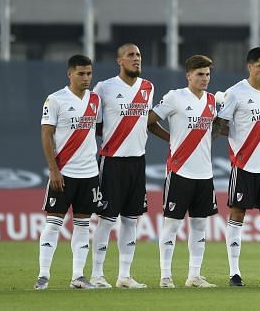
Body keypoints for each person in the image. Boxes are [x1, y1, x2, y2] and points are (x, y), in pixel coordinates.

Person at [90, 43, 169, 289]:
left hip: (137, 160)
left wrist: (173, 139)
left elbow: (146, 122)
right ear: (119, 61)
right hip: (112, 160)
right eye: (131, 55)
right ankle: (96, 274)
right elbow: (97, 125)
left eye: (139, 55)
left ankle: (124, 275)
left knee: (131, 219)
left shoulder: (148, 87)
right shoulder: (104, 88)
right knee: (106, 218)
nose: (136, 59)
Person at [214, 47, 260, 287]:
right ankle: (234, 273)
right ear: (249, 67)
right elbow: (220, 125)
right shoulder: (235, 93)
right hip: (244, 164)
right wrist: (227, 130)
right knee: (238, 215)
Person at [147, 55, 219, 289]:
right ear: (188, 75)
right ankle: (165, 276)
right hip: (180, 172)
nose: (204, 78)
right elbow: (149, 120)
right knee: (172, 226)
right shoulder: (174, 97)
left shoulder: (211, 101)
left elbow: (214, 127)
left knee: (199, 226)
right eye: (200, 74)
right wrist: (171, 138)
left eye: (207, 74)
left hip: (205, 174)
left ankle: (194, 276)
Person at [34, 54, 101, 290]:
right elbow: (45, 134)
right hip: (64, 172)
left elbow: (98, 129)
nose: (86, 78)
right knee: (53, 224)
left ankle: (78, 277)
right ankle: (43, 276)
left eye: (89, 73)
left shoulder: (95, 100)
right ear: (69, 74)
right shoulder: (55, 100)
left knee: (83, 226)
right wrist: (53, 170)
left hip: (90, 174)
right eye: (81, 73)